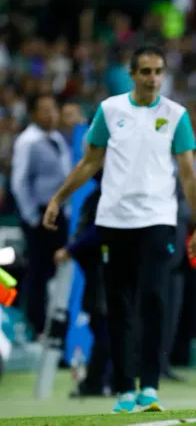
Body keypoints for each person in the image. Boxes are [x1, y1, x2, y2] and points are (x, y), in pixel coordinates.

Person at [42, 45, 196, 413]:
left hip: (157, 221)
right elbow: (89, 163)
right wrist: (58, 199)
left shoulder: (175, 115)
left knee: (154, 301)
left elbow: (187, 174)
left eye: (158, 71)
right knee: (118, 307)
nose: (153, 79)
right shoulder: (110, 110)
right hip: (114, 222)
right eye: (146, 71)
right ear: (132, 75)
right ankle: (123, 389)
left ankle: (149, 386)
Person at [10, 94, 71, 336]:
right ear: (34, 114)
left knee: (58, 272)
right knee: (39, 272)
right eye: (44, 110)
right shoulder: (28, 141)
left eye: (53, 109)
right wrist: (32, 219)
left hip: (60, 214)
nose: (51, 114)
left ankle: (54, 326)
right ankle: (34, 326)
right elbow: (19, 182)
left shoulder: (56, 138)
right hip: (39, 215)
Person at [53, 170, 111, 397]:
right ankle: (109, 382)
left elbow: (95, 232)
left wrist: (70, 249)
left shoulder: (102, 198)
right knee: (105, 325)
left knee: (103, 326)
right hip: (100, 267)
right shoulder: (101, 196)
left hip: (102, 268)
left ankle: (98, 382)